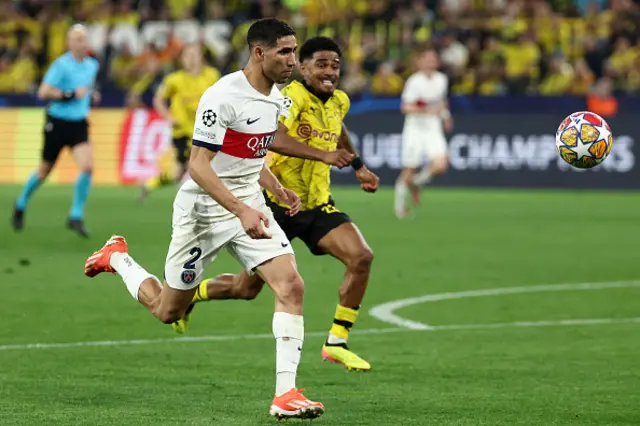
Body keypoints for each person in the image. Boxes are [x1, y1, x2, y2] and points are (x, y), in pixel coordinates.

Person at [83, 18, 326, 420]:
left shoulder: (278, 97)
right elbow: (198, 166)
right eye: (285, 52)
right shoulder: (222, 96)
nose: (293, 60)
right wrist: (241, 209)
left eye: (295, 51)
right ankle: (118, 258)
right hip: (203, 211)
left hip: (248, 202)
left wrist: (275, 188)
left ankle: (286, 395)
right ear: (258, 53)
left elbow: (252, 152)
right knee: (168, 311)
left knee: (291, 285)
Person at [172, 36, 380, 373]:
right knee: (245, 288)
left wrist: (358, 167)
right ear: (303, 67)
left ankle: (337, 342)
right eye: (321, 64)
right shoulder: (288, 97)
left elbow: (338, 128)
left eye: (335, 66)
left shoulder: (339, 100)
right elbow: (277, 139)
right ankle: (192, 295)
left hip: (315, 204)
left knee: (361, 256)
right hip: (275, 203)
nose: (329, 72)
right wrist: (324, 155)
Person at [12, 24, 100, 237]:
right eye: (77, 39)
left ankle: (75, 215)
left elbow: (86, 89)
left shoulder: (92, 65)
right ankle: (21, 203)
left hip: (79, 123)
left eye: (84, 38)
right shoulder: (60, 65)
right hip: (57, 123)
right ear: (69, 43)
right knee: (44, 170)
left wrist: (91, 96)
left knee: (87, 166)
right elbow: (43, 92)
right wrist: (69, 95)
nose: (82, 42)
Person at [139, 44, 221, 201]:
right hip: (182, 131)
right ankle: (187, 196)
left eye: (194, 54)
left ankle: (150, 185)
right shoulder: (174, 80)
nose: (191, 58)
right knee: (193, 167)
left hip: (205, 129)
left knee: (182, 170)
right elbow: (158, 99)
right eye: (187, 55)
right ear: (182, 59)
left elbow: (222, 97)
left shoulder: (212, 75)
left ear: (201, 57)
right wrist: (168, 118)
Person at [394, 46, 453, 219]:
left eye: (433, 59)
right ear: (419, 62)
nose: (431, 62)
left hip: (433, 128)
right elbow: (405, 107)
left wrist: (446, 115)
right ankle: (400, 209)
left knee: (441, 165)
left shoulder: (441, 79)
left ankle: (417, 183)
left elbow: (441, 101)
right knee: (410, 168)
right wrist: (428, 110)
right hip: (415, 129)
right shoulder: (414, 82)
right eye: (427, 59)